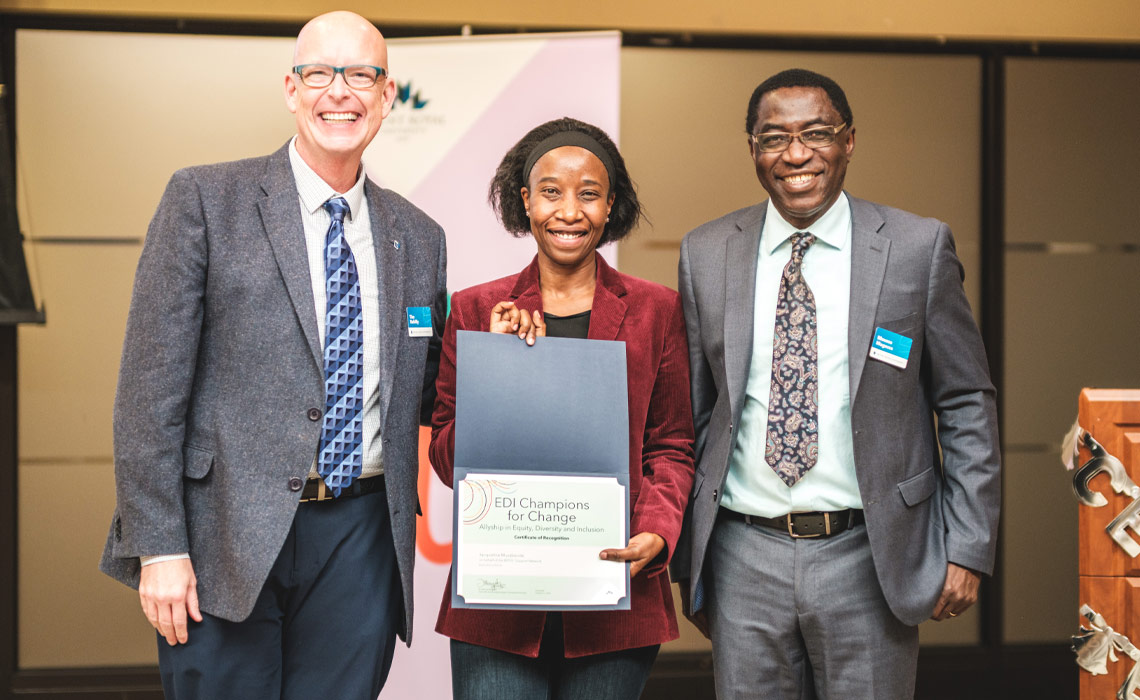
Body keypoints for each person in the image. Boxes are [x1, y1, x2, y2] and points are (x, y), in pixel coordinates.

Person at [98, 11, 447, 699]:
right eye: (320, 74)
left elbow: (433, 385)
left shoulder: (420, 234)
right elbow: (149, 393)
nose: (339, 93)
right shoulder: (204, 200)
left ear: (386, 94)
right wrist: (158, 546)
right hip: (222, 537)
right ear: (291, 89)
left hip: (362, 533)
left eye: (361, 76)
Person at [672, 68, 1001, 699]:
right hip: (743, 554)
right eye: (774, 138)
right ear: (753, 151)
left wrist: (968, 543)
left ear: (849, 141)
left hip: (870, 554)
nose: (797, 155)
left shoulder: (915, 247)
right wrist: (694, 559)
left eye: (817, 133)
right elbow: (695, 414)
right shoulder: (706, 252)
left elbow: (965, 400)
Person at [427, 117, 695, 699]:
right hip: (498, 605)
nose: (569, 211)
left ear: (610, 205)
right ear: (525, 202)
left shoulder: (658, 310)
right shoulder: (476, 310)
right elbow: (448, 460)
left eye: (589, 194)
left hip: (615, 595)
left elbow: (671, 445)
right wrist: (494, 369)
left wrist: (657, 532)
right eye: (551, 192)